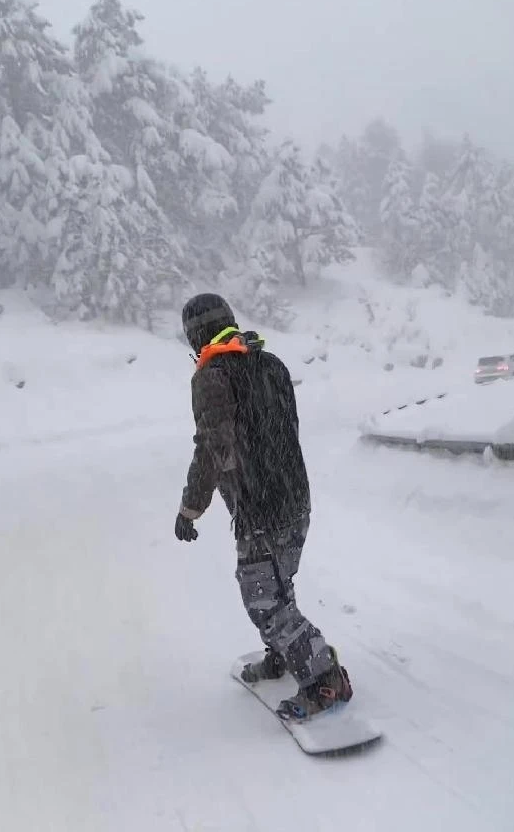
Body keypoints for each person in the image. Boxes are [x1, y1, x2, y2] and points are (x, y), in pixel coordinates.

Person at [175, 293, 353, 721]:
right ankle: (285, 655)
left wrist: (190, 508)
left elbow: (213, 448)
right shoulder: (271, 363)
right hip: (296, 498)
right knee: (279, 584)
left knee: (264, 600)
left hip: (260, 509)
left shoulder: (212, 376)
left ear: (196, 336)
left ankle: (325, 677)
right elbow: (283, 431)